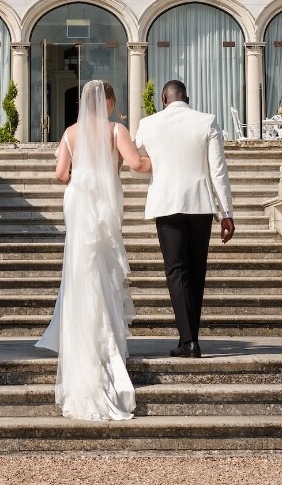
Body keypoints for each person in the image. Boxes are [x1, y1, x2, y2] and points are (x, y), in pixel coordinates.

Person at [36, 80, 151, 421]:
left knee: (80, 267)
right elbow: (137, 165)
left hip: (78, 200)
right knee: (103, 265)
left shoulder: (70, 133)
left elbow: (60, 175)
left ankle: (81, 335)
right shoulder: (116, 129)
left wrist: (80, 175)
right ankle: (103, 337)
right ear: (110, 102)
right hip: (104, 200)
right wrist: (153, 155)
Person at [134, 79, 234, 358]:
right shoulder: (207, 121)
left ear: (163, 100)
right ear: (186, 98)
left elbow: (136, 161)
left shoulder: (148, 124)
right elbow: (218, 171)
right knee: (196, 271)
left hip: (166, 203)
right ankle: (189, 338)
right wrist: (226, 213)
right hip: (200, 204)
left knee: (176, 271)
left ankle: (188, 340)